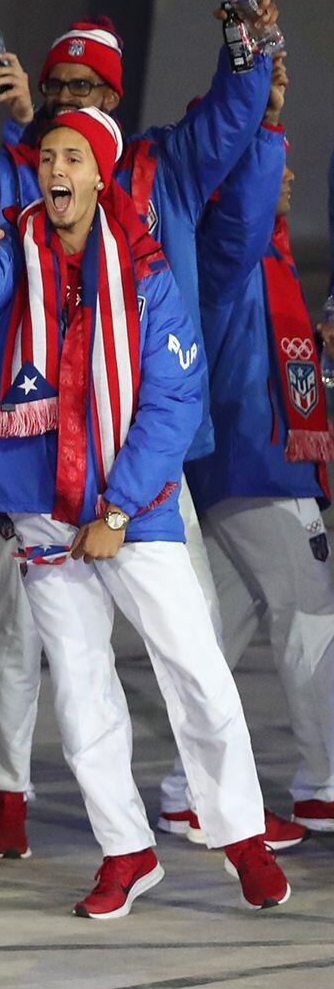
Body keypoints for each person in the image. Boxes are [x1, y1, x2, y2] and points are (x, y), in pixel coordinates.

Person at [0, 9, 270, 855]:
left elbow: (231, 121)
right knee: (23, 650)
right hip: (32, 468)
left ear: (111, 99)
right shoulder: (11, 184)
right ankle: (17, 793)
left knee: (192, 645)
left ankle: (219, 816)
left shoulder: (155, 174)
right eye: (56, 87)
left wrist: (252, 56)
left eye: (82, 90)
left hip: (136, 474)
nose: (65, 98)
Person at [0, 107, 289, 915]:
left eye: (74, 157)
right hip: (40, 512)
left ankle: (239, 834)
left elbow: (174, 398)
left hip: (135, 512)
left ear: (101, 175)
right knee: (81, 687)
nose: (57, 170)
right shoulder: (19, 249)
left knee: (196, 671)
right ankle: (126, 849)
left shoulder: (145, 267)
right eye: (48, 157)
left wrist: (121, 507)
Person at [184, 103, 334, 835]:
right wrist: (264, 113)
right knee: (314, 611)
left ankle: (191, 788)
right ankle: (325, 779)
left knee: (214, 633)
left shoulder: (269, 256)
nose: (291, 174)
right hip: (256, 464)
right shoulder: (229, 243)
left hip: (249, 461)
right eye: (275, 160)